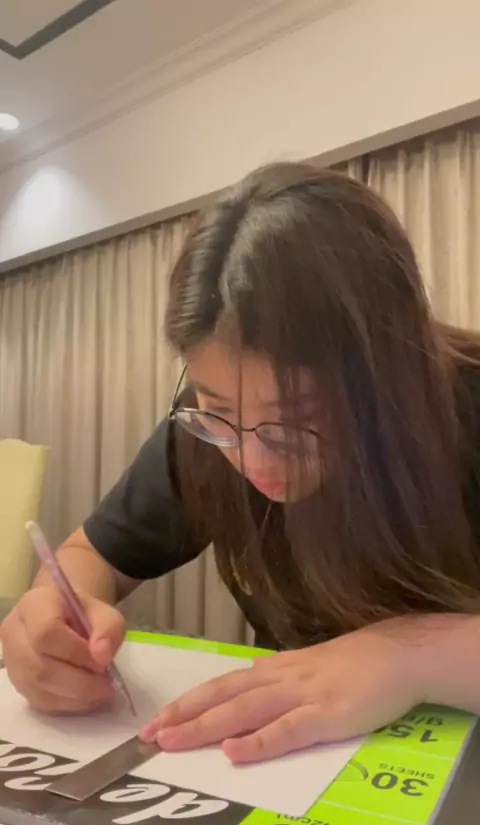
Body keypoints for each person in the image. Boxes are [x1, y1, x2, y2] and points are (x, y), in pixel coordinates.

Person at [3, 162, 480, 765]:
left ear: (390, 372)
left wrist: (417, 654)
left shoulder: (467, 403)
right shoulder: (207, 433)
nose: (253, 458)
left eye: (298, 418)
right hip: (298, 766)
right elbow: (89, 556)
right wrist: (53, 618)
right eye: (219, 408)